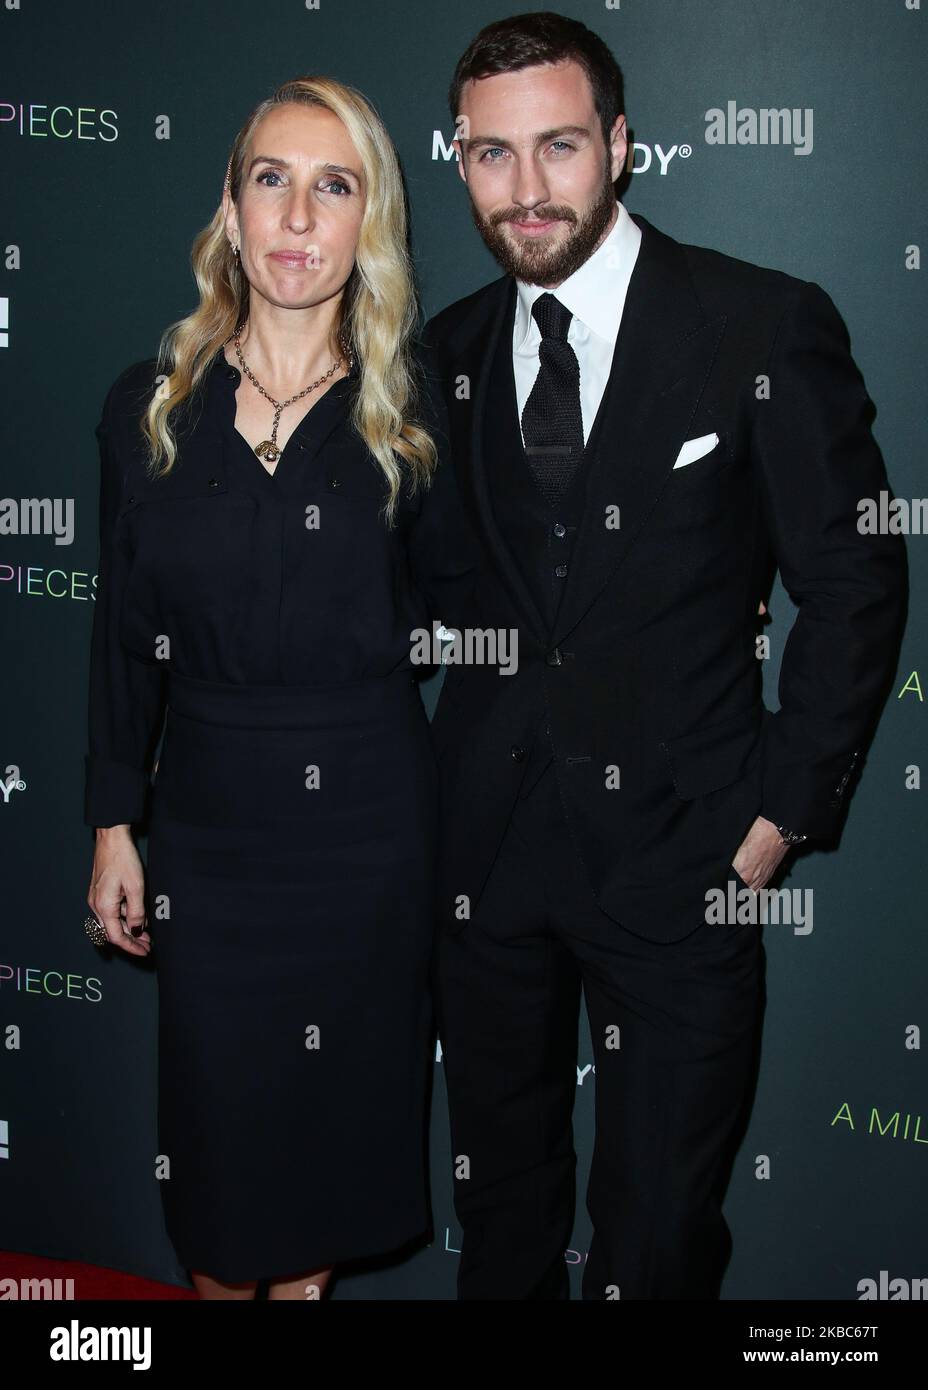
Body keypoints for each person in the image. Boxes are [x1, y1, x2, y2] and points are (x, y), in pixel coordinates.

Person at [424, 11, 908, 1299]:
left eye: (560, 147)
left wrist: (774, 823)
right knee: (504, 1227)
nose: (526, 191)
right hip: (486, 870)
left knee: (657, 1240)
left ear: (623, 146)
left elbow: (855, 579)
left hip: (687, 862)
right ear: (459, 163)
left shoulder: (759, 325)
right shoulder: (445, 356)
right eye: (491, 156)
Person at [83, 75, 474, 1301]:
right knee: (219, 1187)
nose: (298, 216)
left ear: (370, 222)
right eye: (272, 179)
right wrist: (111, 825)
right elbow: (120, 632)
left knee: (315, 1179)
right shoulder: (148, 409)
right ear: (231, 209)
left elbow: (473, 620)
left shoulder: (416, 415)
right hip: (208, 824)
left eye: (334, 185)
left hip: (365, 829)